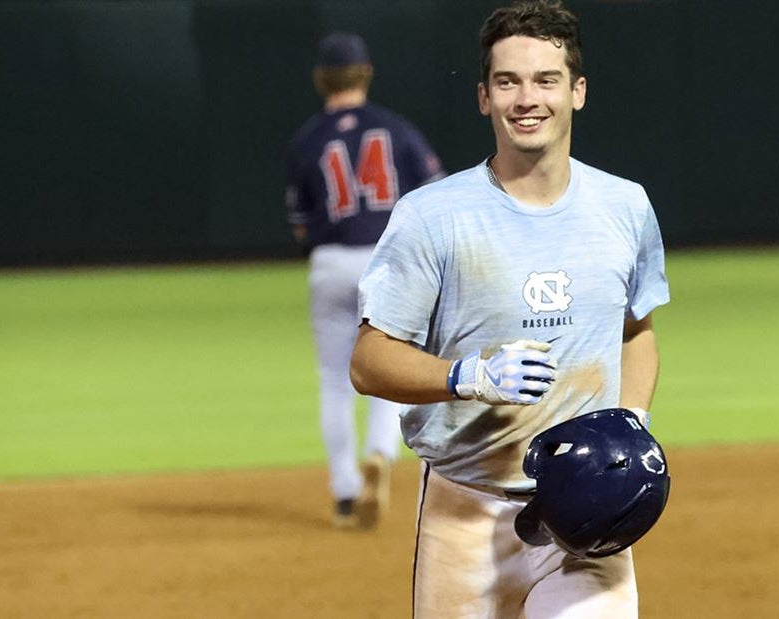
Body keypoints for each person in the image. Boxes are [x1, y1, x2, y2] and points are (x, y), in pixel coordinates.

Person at [350, 1, 670, 616]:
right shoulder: (432, 217)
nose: (528, 98)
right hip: (465, 510)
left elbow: (637, 330)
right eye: (508, 82)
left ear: (577, 92)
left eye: (546, 80)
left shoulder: (625, 206)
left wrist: (632, 422)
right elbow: (369, 361)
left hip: (589, 516)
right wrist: (468, 377)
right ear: (483, 97)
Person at [284, 31, 444, 529]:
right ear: (367, 73)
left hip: (331, 261)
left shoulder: (307, 139)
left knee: (335, 382)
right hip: (387, 259)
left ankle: (346, 495)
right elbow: (436, 198)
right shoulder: (396, 130)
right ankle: (379, 451)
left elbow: (300, 223)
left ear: (320, 79)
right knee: (388, 369)